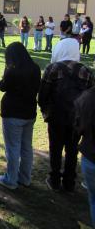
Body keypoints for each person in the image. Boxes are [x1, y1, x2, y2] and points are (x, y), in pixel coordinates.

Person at [38, 38, 94, 192]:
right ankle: (69, 181)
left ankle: (54, 179)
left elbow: (43, 94)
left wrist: (45, 110)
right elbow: (90, 98)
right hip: (77, 119)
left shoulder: (53, 68)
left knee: (55, 148)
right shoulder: (86, 71)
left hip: (56, 116)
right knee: (72, 149)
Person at [0, 42, 41, 190]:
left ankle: (11, 179)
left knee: (12, 148)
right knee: (26, 147)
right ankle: (25, 178)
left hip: (13, 113)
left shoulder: (12, 71)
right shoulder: (35, 68)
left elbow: (2, 86)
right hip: (29, 112)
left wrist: (6, 70)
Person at [75, 86, 95, 227]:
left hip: (91, 157)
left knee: (94, 199)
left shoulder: (88, 97)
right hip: (90, 156)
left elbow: (79, 127)